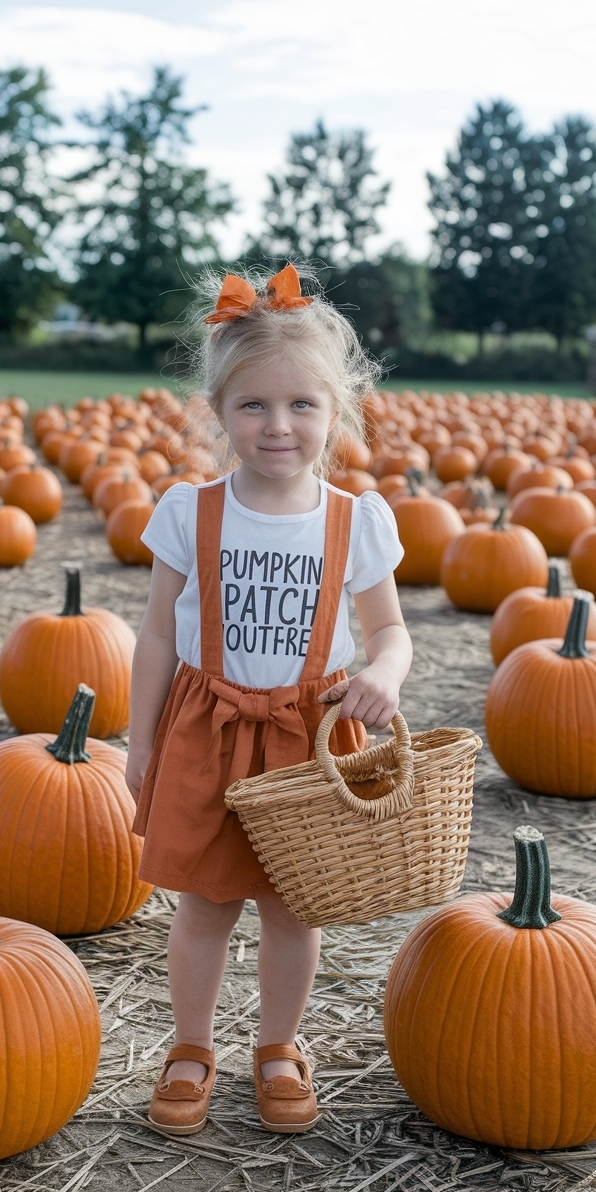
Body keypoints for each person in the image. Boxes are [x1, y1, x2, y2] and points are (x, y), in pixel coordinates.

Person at [126, 264, 412, 1137]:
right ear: (219, 410)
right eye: (253, 405)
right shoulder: (189, 512)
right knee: (203, 905)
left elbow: (392, 632)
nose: (277, 425)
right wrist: (139, 745)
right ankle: (190, 1046)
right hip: (208, 731)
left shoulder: (355, 521)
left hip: (306, 739)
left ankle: (280, 1046)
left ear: (337, 411)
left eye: (301, 405)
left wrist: (385, 676)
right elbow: (156, 637)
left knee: (293, 907)